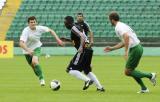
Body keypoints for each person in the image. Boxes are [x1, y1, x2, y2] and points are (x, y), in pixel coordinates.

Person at [104, 11, 157, 93]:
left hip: (135, 49)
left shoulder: (118, 27)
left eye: (109, 19)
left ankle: (150, 75)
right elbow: (124, 41)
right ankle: (144, 88)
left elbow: (126, 37)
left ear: (112, 20)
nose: (109, 21)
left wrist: (126, 52)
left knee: (128, 72)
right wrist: (112, 48)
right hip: (136, 48)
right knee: (131, 70)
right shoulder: (121, 25)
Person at [61, 16, 105, 92]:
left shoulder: (73, 28)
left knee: (70, 69)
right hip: (89, 50)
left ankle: (87, 80)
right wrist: (67, 40)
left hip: (83, 50)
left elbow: (82, 36)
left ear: (69, 22)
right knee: (87, 71)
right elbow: (79, 38)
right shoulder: (77, 27)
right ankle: (100, 87)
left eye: (65, 23)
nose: (65, 25)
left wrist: (81, 47)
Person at [19, 16, 63, 86]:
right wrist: (28, 50)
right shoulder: (26, 31)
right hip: (27, 50)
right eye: (31, 22)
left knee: (35, 61)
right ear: (28, 23)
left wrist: (58, 39)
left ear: (36, 22)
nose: (33, 23)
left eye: (34, 22)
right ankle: (39, 75)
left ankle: (42, 79)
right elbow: (21, 43)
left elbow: (51, 30)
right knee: (33, 67)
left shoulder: (40, 28)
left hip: (37, 47)